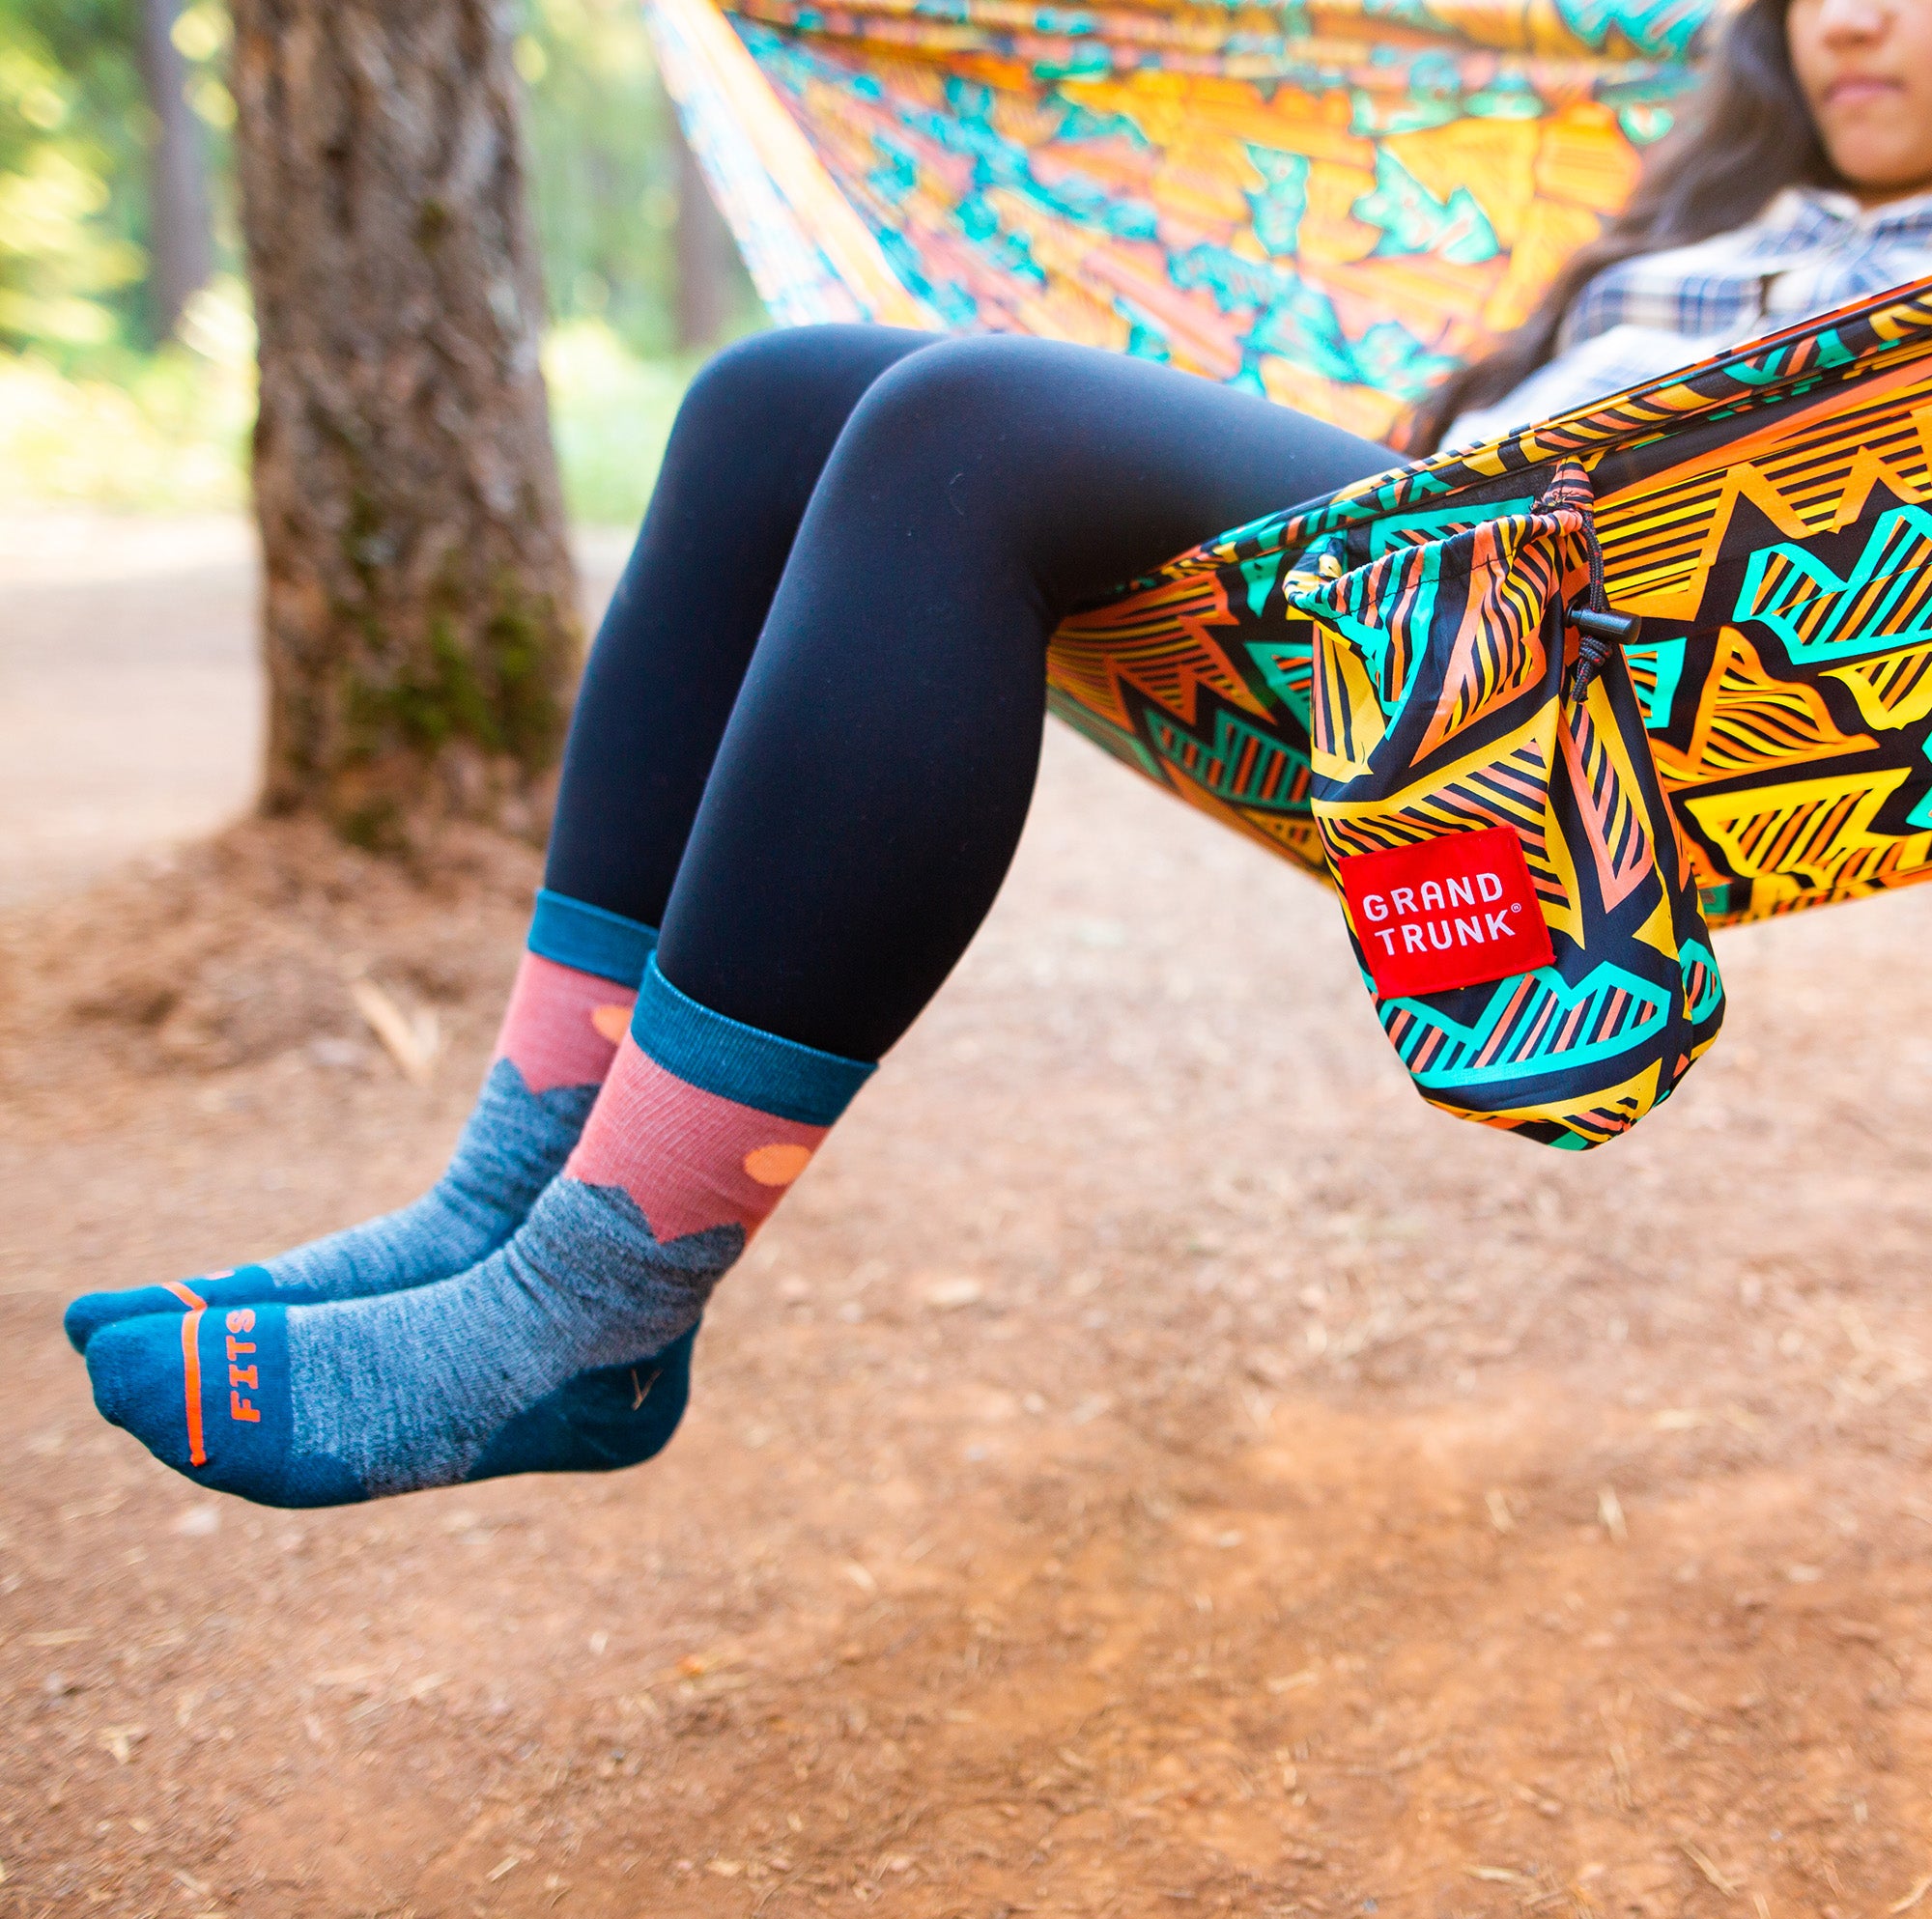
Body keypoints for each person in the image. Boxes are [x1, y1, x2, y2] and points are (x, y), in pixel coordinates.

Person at [68, 0, 1932, 1507]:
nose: (1852, 23)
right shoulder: (1703, 218)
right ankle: (513, 1197)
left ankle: (596, 1300)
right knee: (769, 397)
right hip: (1389, 615)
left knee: (973, 427)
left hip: (1635, 678)